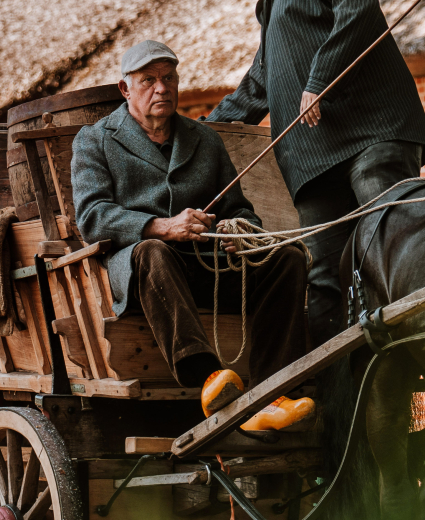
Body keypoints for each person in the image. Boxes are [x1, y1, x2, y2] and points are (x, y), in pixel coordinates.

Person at [205, 0, 425, 345]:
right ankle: (337, 402)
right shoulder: (270, 10)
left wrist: (319, 78)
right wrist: (203, 131)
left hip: (371, 137)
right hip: (312, 170)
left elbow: (359, 9)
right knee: (325, 287)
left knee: (388, 244)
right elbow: (258, 85)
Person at [72, 40, 314, 429]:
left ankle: (275, 391)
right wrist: (163, 227)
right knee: (153, 250)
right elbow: (92, 217)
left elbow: (237, 209)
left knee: (286, 259)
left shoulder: (204, 139)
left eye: (168, 78)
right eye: (148, 80)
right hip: (144, 273)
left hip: (207, 265)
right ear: (125, 89)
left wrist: (243, 232)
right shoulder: (95, 140)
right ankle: (210, 380)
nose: (161, 88)